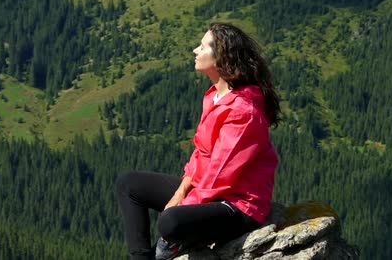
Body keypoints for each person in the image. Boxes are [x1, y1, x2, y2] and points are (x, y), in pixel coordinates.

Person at [116, 22, 281, 260]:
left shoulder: (243, 111)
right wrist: (181, 191)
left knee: (170, 221)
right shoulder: (214, 96)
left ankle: (171, 243)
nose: (195, 50)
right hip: (208, 188)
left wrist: (181, 205)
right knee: (128, 184)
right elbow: (201, 153)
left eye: (203, 47)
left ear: (221, 58)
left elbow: (220, 176)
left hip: (237, 205)